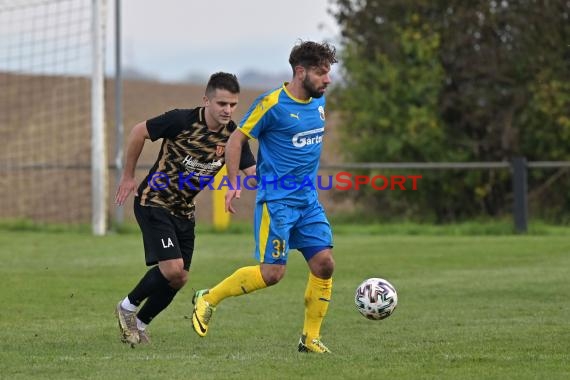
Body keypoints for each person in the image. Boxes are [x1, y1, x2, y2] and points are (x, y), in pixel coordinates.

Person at [191, 41, 338, 354]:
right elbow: (236, 139)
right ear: (301, 72)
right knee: (273, 274)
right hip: (278, 203)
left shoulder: (319, 104)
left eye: (329, 73)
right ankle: (208, 297)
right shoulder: (272, 104)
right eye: (322, 73)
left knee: (324, 264)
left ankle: (310, 338)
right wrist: (233, 183)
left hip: (307, 201)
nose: (328, 80)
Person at [114, 72, 256, 346]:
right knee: (172, 269)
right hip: (154, 201)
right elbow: (138, 131)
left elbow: (252, 170)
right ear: (207, 100)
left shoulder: (233, 136)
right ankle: (127, 307)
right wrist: (129, 176)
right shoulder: (181, 120)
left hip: (184, 211)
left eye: (232, 105)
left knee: (179, 279)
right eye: (222, 104)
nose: (227, 110)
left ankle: (140, 325)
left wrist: (281, 179)